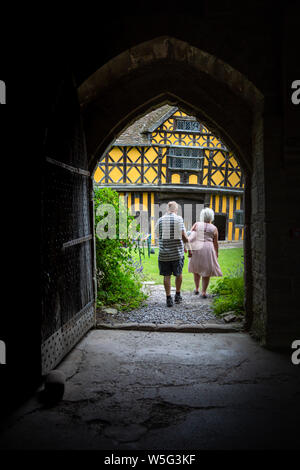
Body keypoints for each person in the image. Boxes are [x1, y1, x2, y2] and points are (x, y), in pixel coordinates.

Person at [155, 201, 189, 307]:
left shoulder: (160, 220)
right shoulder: (179, 219)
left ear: (167, 209)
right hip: (177, 253)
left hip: (164, 254)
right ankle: (177, 295)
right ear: (176, 210)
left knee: (167, 276)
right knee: (178, 274)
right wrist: (187, 246)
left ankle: (168, 298)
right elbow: (184, 235)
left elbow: (157, 234)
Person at [187, 207, 222, 298]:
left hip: (197, 247)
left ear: (202, 216)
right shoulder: (214, 228)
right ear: (211, 217)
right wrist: (216, 253)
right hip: (208, 248)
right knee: (206, 271)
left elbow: (190, 236)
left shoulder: (197, 224)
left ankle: (197, 288)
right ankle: (203, 292)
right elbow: (215, 243)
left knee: (196, 270)